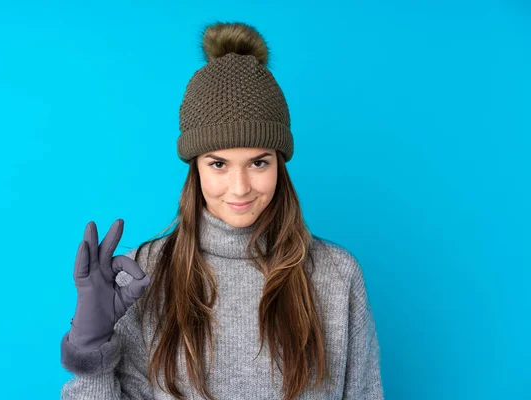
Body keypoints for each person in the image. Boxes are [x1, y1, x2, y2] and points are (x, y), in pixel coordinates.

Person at [60, 21, 384, 400]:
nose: (240, 186)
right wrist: (89, 350)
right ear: (195, 168)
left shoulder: (336, 274)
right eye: (218, 164)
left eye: (259, 163)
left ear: (280, 164)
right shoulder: (142, 276)